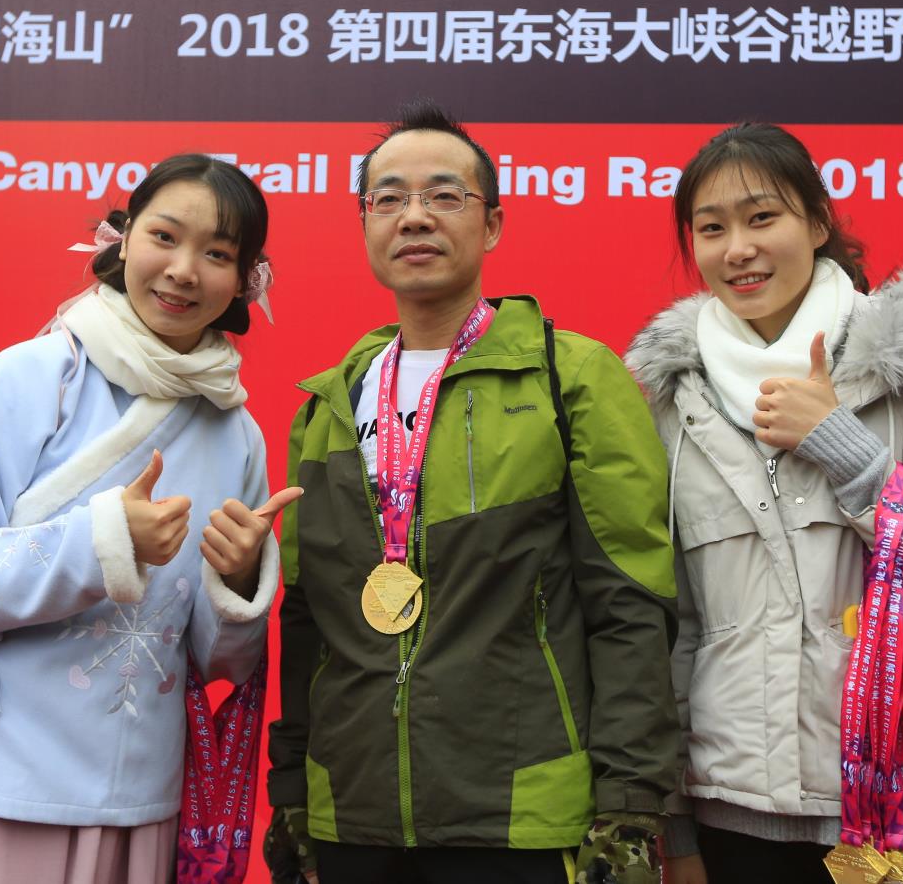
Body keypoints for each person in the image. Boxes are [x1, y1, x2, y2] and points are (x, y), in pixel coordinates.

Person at [0, 154, 298, 884]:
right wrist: (104, 542)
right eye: (164, 237)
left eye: (217, 254)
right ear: (122, 240)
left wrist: (237, 582)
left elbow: (216, 663)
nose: (183, 271)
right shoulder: (33, 376)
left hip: (140, 797)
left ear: (244, 279)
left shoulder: (239, 434)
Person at [263, 102, 679, 884]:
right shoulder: (327, 406)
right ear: (365, 224)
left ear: (491, 225)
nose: (414, 215)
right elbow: (308, 622)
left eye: (444, 195)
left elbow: (629, 604)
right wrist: (294, 794)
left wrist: (630, 805)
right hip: (350, 816)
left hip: (523, 820)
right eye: (389, 198)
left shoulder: (570, 377)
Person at [624, 123, 903, 883]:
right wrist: (675, 825)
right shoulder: (673, 404)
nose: (738, 248)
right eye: (711, 229)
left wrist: (850, 453)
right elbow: (672, 629)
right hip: (733, 806)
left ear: (818, 223)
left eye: (761, 217)